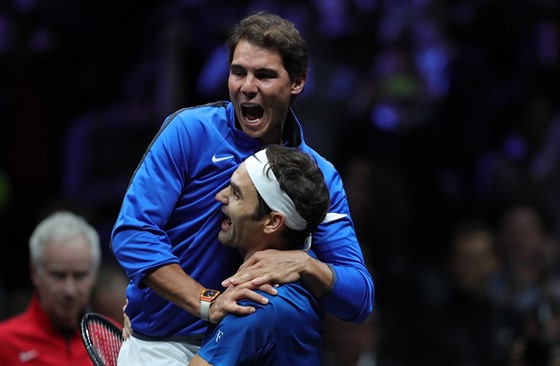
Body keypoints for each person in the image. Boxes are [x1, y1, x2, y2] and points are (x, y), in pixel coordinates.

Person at [111, 11, 374, 364]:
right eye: (238, 72)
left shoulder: (318, 176)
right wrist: (204, 301)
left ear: (297, 82)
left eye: (264, 75)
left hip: (252, 351)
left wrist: (305, 264)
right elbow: (132, 233)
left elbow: (358, 297)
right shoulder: (189, 131)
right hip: (167, 344)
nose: (247, 86)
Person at [185, 145, 329, 365]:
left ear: (272, 222)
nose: (219, 196)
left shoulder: (255, 306)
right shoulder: (311, 268)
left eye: (236, 194)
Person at [0, 211, 103, 365]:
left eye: (80, 275)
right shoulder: (4, 343)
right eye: (58, 275)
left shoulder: (111, 338)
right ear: (35, 272)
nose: (70, 290)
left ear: (94, 275)